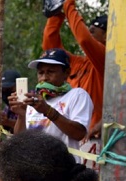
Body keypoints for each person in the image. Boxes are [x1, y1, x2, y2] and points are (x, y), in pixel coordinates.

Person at [43, 0, 106, 141]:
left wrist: (68, 5)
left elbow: (84, 39)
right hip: (67, 135)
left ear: (107, 36)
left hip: (92, 138)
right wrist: (56, 15)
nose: (90, 30)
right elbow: (50, 49)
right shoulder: (79, 62)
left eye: (96, 28)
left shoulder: (106, 59)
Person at [11, 48, 92, 151]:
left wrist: (47, 111)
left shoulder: (77, 95)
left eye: (50, 72)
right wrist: (22, 115)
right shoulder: (34, 100)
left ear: (67, 73)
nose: (44, 78)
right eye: (41, 73)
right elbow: (19, 142)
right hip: (35, 166)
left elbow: (79, 134)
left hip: (64, 166)